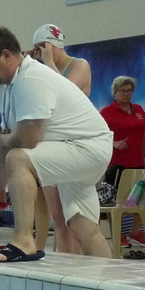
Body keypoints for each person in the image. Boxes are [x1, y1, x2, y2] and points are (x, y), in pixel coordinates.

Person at [0, 26, 113, 262]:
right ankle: (110, 278)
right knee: (84, 227)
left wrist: (0, 139)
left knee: (18, 158)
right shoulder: (7, 87)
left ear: (6, 55)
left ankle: (24, 240)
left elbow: (26, 140)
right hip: (78, 147)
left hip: (87, 147)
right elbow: (7, 137)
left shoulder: (30, 78)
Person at [29, 24, 93, 254]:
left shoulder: (80, 65)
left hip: (75, 148)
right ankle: (63, 264)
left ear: (50, 45)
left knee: (74, 217)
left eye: (41, 48)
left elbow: (66, 94)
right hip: (53, 147)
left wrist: (47, 63)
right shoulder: (44, 69)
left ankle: (77, 265)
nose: (38, 54)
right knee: (58, 217)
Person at [100, 76, 145, 190]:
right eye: (123, 91)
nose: (126, 94)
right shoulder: (106, 112)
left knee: (136, 197)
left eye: (129, 90)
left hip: (138, 162)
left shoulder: (139, 109)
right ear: (115, 92)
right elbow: (96, 135)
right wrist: (114, 143)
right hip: (116, 164)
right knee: (117, 197)